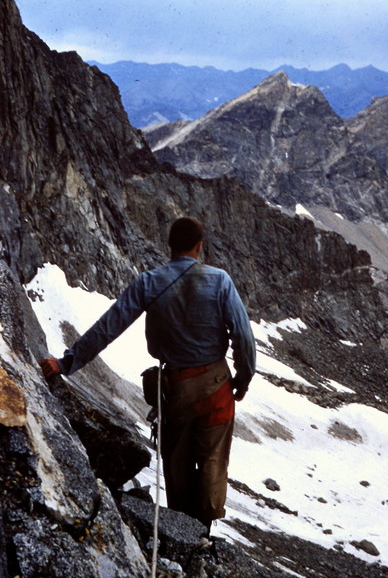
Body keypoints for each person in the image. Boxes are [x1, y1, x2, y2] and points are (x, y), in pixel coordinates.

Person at [40, 217, 256, 530]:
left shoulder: (149, 282)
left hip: (174, 390)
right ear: (199, 246)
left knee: (177, 467)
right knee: (212, 462)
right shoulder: (220, 281)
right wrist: (243, 378)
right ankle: (203, 536)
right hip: (216, 387)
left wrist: (67, 362)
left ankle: (182, 533)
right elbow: (244, 337)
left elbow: (109, 326)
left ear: (170, 246)